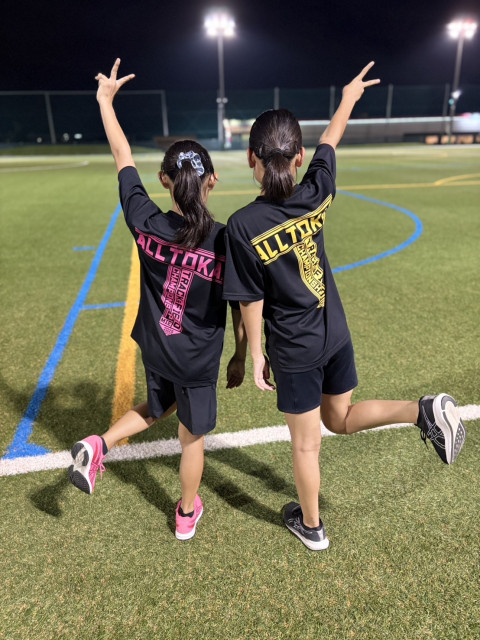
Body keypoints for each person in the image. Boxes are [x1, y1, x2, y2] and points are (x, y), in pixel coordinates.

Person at [223, 62, 466, 551]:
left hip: (295, 349)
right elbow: (330, 142)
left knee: (306, 443)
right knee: (339, 418)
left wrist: (254, 355)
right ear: (298, 157)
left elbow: (250, 297)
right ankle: (422, 411)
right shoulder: (317, 192)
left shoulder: (242, 226)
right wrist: (349, 98)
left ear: (251, 158)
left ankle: (311, 526)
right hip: (334, 333)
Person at [68, 59, 247, 541]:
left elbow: (122, 154)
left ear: (165, 181)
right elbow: (241, 304)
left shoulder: (144, 219)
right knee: (192, 439)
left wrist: (105, 102)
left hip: (156, 345)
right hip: (196, 359)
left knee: (160, 403)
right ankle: (187, 512)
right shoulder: (226, 240)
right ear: (212, 181)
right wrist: (241, 356)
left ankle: (99, 443)